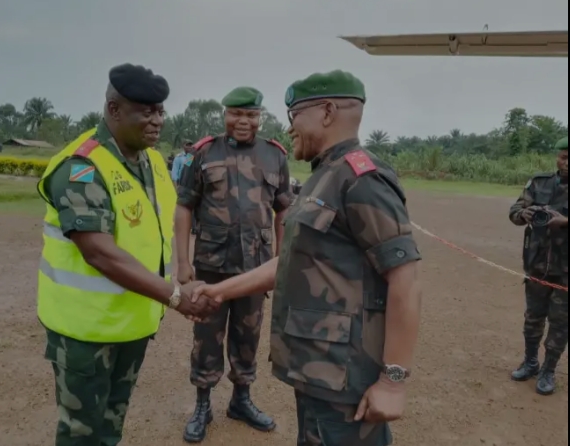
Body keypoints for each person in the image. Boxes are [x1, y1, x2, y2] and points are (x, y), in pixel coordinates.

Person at [192, 71, 423, 446]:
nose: (289, 128)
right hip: (318, 371)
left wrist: (393, 382)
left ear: (327, 112)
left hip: (347, 377)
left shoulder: (361, 178)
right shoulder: (324, 174)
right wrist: (219, 291)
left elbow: (406, 280)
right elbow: (290, 260)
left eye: (294, 116)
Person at [35, 63, 219, 446]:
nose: (157, 121)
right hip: (84, 333)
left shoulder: (151, 160)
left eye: (160, 112)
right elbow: (100, 254)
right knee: (82, 434)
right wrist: (174, 297)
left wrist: (183, 275)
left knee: (111, 425)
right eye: (146, 112)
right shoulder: (81, 167)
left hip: (130, 325)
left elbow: (158, 230)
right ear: (114, 109)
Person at [175, 86, 294, 443]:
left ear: (260, 117)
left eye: (251, 115)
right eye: (236, 114)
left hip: (254, 268)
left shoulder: (275, 157)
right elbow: (184, 207)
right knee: (206, 337)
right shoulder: (205, 153)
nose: (243, 121)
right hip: (211, 266)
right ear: (224, 114)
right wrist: (182, 264)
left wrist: (281, 261)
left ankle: (241, 401)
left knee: (248, 335)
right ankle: (202, 405)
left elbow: (284, 209)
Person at [509, 136, 568, 396]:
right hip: (537, 265)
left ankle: (548, 370)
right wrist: (524, 214)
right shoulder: (539, 182)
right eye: (564, 156)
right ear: (557, 157)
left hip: (566, 272)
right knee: (532, 318)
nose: (567, 162)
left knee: (560, 322)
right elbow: (514, 210)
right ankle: (531, 362)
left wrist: (565, 222)